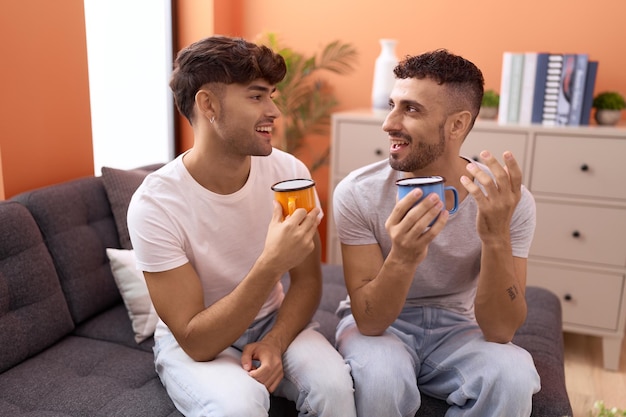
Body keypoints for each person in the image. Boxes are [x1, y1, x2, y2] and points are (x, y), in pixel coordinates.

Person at [127, 35, 356, 417]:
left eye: (272, 96)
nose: (274, 111)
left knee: (333, 388)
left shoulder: (289, 174)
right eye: (256, 97)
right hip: (197, 339)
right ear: (208, 104)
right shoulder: (154, 205)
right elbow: (196, 340)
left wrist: (275, 341)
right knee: (240, 406)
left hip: (271, 319)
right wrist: (270, 263)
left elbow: (308, 282)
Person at [333, 49, 541, 417]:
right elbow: (370, 320)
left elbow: (501, 331)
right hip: (382, 328)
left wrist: (495, 238)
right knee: (382, 379)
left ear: (457, 125)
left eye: (411, 110)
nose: (389, 123)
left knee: (514, 375)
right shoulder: (358, 192)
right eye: (392, 105)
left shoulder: (508, 201)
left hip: (459, 326)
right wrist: (403, 257)